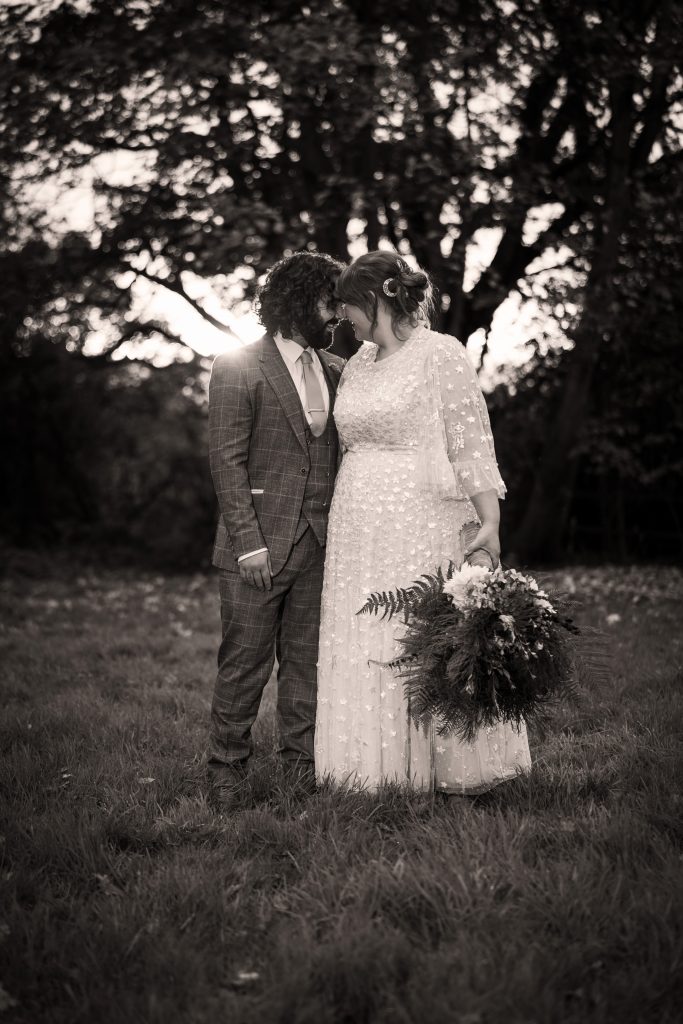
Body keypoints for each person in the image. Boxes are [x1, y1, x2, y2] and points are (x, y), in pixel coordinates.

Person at [315, 251, 531, 795]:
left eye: (347, 304)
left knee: (415, 632)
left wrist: (489, 519)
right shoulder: (358, 364)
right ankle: (371, 771)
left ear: (376, 298)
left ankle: (447, 768)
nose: (342, 316)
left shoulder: (441, 353)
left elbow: (469, 441)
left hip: (418, 517)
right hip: (355, 524)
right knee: (365, 630)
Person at [207, 251, 346, 811]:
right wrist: (248, 545)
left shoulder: (338, 370)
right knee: (244, 663)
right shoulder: (238, 365)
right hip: (257, 548)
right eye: (329, 300)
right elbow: (226, 461)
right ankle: (225, 770)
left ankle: (299, 769)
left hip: (320, 545)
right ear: (299, 300)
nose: (337, 313)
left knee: (306, 664)